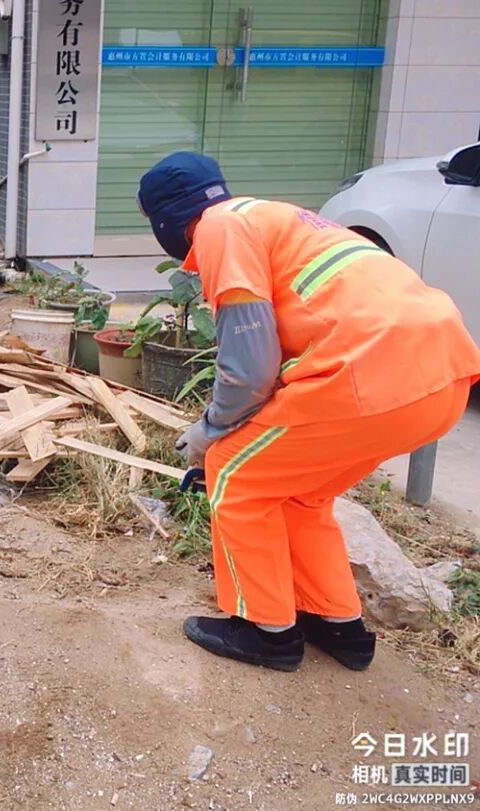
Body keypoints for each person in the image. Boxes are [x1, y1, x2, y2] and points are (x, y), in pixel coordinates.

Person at [137, 152, 480, 672]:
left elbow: (250, 368)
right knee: (300, 492)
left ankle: (266, 632)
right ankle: (338, 624)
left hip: (368, 374)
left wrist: (209, 432)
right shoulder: (276, 218)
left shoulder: (219, 229)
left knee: (235, 474)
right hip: (443, 379)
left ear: (166, 220)